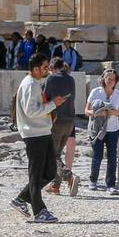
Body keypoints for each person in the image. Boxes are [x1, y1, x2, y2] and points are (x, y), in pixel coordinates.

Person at [10, 54, 67, 223]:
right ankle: (39, 211)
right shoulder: (30, 85)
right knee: (35, 174)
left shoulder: (35, 84)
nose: (47, 70)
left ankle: (21, 199)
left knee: (49, 171)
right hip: (34, 134)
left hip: (42, 131)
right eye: (44, 67)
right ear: (35, 69)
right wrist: (53, 105)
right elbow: (31, 111)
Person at [86, 68, 119, 193]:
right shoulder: (95, 92)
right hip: (97, 130)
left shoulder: (118, 94)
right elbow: (86, 111)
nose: (110, 81)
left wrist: (116, 113)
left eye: (113, 79)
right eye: (108, 78)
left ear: (116, 81)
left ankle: (110, 185)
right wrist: (97, 113)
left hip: (113, 129)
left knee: (112, 157)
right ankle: (93, 181)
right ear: (103, 79)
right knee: (97, 156)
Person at [43, 58, 80, 197]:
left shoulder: (51, 79)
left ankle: (68, 175)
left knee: (53, 155)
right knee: (57, 153)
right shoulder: (71, 79)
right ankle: (55, 185)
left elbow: (45, 98)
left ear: (52, 66)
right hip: (70, 122)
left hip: (56, 121)